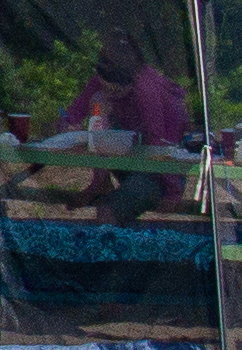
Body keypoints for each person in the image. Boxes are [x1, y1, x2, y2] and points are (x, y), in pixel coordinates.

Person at [52, 27, 191, 221]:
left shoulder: (147, 92)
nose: (109, 94)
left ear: (130, 83)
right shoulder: (103, 81)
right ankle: (100, 182)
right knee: (97, 102)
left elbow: (162, 147)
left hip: (158, 174)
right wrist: (66, 126)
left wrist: (173, 192)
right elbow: (71, 114)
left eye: (115, 93)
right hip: (126, 160)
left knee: (107, 212)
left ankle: (112, 230)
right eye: (104, 86)